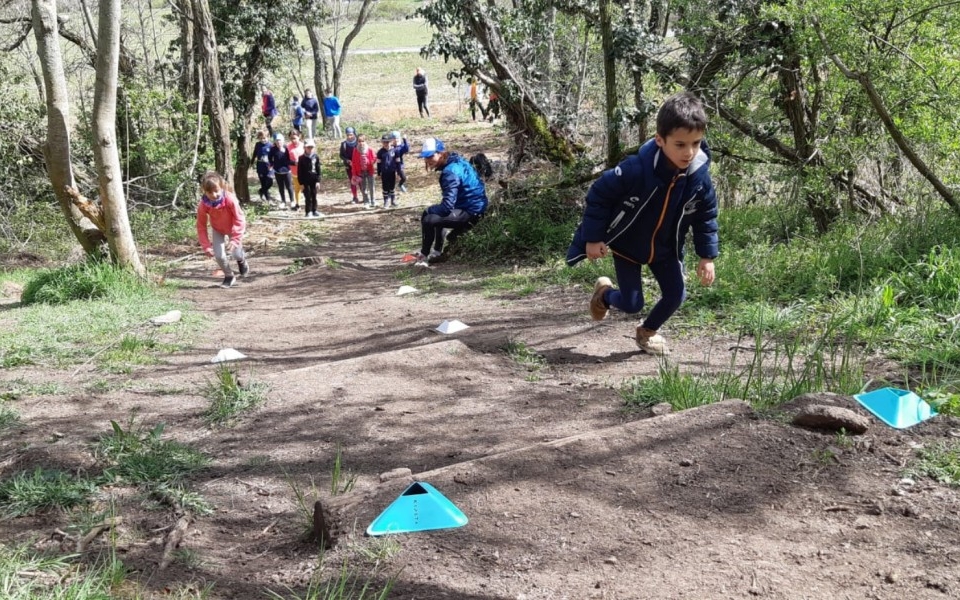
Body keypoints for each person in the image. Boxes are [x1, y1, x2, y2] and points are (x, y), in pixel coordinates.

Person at [565, 91, 719, 356]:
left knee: (676, 295)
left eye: (696, 143)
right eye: (680, 144)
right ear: (660, 140)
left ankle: (647, 332)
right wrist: (593, 238)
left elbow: (706, 215)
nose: (689, 152)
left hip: (666, 247)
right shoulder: (636, 169)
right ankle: (604, 295)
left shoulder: (699, 178)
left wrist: (707, 256)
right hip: (629, 245)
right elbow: (599, 195)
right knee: (632, 303)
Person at [413, 137, 488, 267]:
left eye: (430, 156)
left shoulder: (449, 172)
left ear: (441, 153)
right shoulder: (456, 160)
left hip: (472, 210)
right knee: (436, 214)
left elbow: (447, 207)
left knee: (429, 218)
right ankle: (436, 252)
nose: (427, 160)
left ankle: (424, 255)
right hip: (474, 206)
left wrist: (428, 211)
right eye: (425, 157)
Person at [196, 171, 248, 288]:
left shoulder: (230, 199)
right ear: (205, 192)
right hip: (217, 229)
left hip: (233, 229)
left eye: (216, 191)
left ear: (221, 188)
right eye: (210, 192)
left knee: (236, 254)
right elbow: (201, 226)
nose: (214, 195)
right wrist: (206, 246)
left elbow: (239, 219)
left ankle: (241, 260)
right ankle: (229, 276)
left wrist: (235, 239)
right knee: (219, 255)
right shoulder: (204, 205)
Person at [376, 132, 407, 208]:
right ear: (382, 143)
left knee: (392, 187)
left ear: (391, 142)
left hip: (392, 172)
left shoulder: (395, 150)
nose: (386, 144)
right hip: (384, 172)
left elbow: (398, 162)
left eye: (387, 142)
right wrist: (379, 173)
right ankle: (386, 202)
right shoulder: (380, 152)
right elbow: (378, 164)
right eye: (384, 142)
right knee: (385, 187)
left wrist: (399, 172)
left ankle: (393, 201)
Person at [269, 133, 296, 210]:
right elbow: (270, 157)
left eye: (280, 141)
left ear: (283, 141)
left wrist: (294, 163)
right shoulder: (273, 149)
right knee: (281, 187)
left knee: (289, 187)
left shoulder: (286, 148)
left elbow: (289, 159)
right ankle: (283, 201)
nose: (278, 142)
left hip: (287, 171)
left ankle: (292, 201)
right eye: (277, 141)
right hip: (277, 171)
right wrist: (271, 164)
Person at [297, 138, 323, 218]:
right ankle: (308, 211)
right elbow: (299, 171)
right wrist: (301, 183)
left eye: (311, 147)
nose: (310, 149)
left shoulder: (316, 157)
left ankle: (314, 210)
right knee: (308, 196)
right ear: (304, 147)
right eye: (308, 147)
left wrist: (318, 181)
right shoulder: (301, 158)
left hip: (314, 179)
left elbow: (318, 169)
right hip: (305, 181)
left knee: (314, 195)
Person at [350, 134, 377, 208]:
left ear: (365, 141)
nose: (361, 143)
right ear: (357, 142)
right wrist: (354, 173)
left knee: (371, 186)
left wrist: (371, 162)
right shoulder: (355, 150)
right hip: (360, 171)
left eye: (363, 141)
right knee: (364, 187)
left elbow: (374, 157)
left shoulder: (369, 149)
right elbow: (354, 162)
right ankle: (366, 201)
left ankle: (373, 201)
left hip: (369, 170)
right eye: (359, 141)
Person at [251, 129, 274, 204]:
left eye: (264, 138)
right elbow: (255, 153)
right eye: (261, 138)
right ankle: (268, 198)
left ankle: (261, 190)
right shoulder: (258, 144)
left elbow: (274, 156)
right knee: (263, 182)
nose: (263, 140)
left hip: (269, 166)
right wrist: (252, 161)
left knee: (270, 181)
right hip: (260, 166)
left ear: (268, 137)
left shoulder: (270, 145)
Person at [340, 127, 360, 203]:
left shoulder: (358, 143)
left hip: (358, 165)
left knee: (361, 181)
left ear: (354, 134)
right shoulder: (344, 144)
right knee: (352, 181)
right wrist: (347, 161)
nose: (349, 136)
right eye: (348, 135)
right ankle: (355, 197)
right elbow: (341, 155)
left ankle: (365, 196)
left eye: (351, 134)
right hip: (349, 166)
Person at [286, 130, 305, 210]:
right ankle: (298, 204)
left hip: (304, 171)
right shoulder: (287, 147)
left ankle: (309, 203)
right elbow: (286, 160)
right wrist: (294, 163)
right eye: (291, 138)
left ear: (299, 136)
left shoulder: (304, 145)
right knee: (297, 188)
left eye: (294, 138)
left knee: (305, 188)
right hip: (294, 172)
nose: (293, 140)